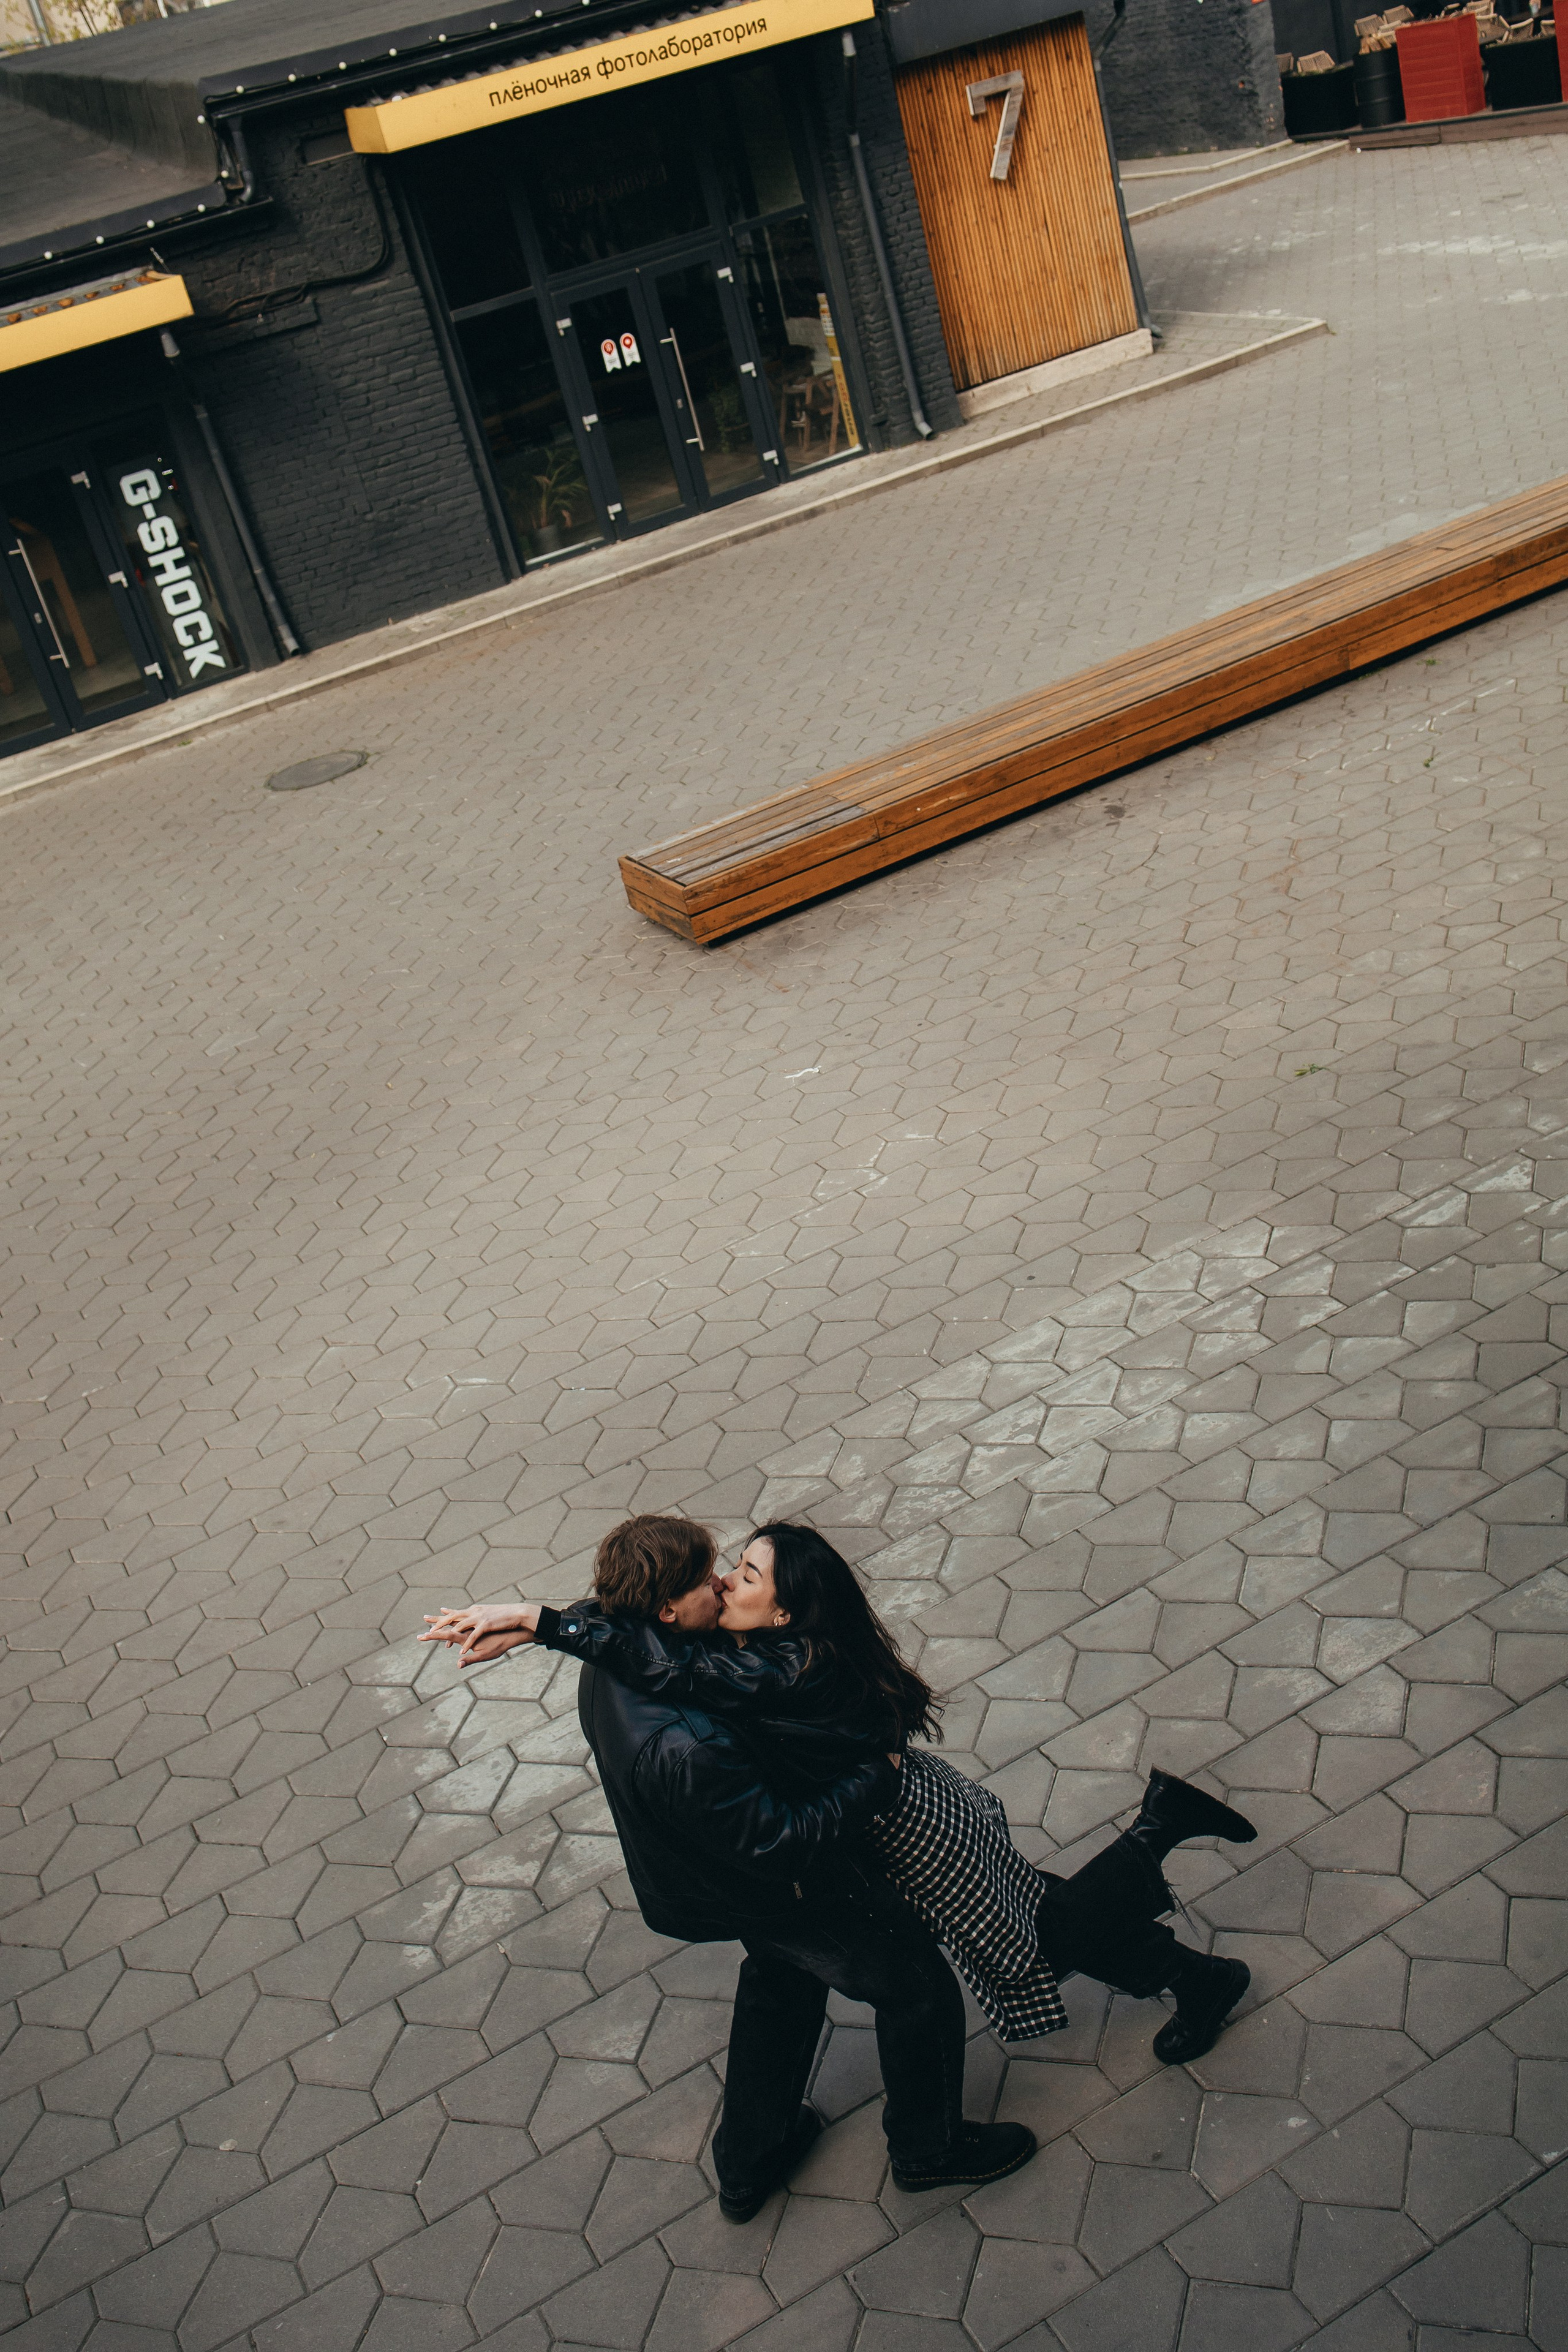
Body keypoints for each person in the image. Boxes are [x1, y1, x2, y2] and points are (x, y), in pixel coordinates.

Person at [425, 1520, 1257, 2076]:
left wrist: (544, 1624)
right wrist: (543, 1624)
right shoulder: (772, 1647)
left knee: (1039, 1930)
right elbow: (655, 1637)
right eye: (728, 1570)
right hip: (901, 1814)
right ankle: (1198, 1972)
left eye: (744, 1574)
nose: (726, 1581)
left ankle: (1158, 1835)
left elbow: (672, 1661)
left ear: (781, 1608)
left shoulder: (787, 1665)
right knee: (1031, 1911)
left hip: (909, 1825)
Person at [422, 1515, 1036, 2220]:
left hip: (719, 1875)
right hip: (782, 1889)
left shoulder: (626, 1638)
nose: (720, 1585)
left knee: (782, 1985)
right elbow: (780, 1842)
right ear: (667, 1609)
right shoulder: (687, 1745)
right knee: (917, 1990)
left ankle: (751, 2162)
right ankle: (928, 2151)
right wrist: (877, 1776)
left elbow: (609, 1628)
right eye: (708, 1579)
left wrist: (539, 1624)